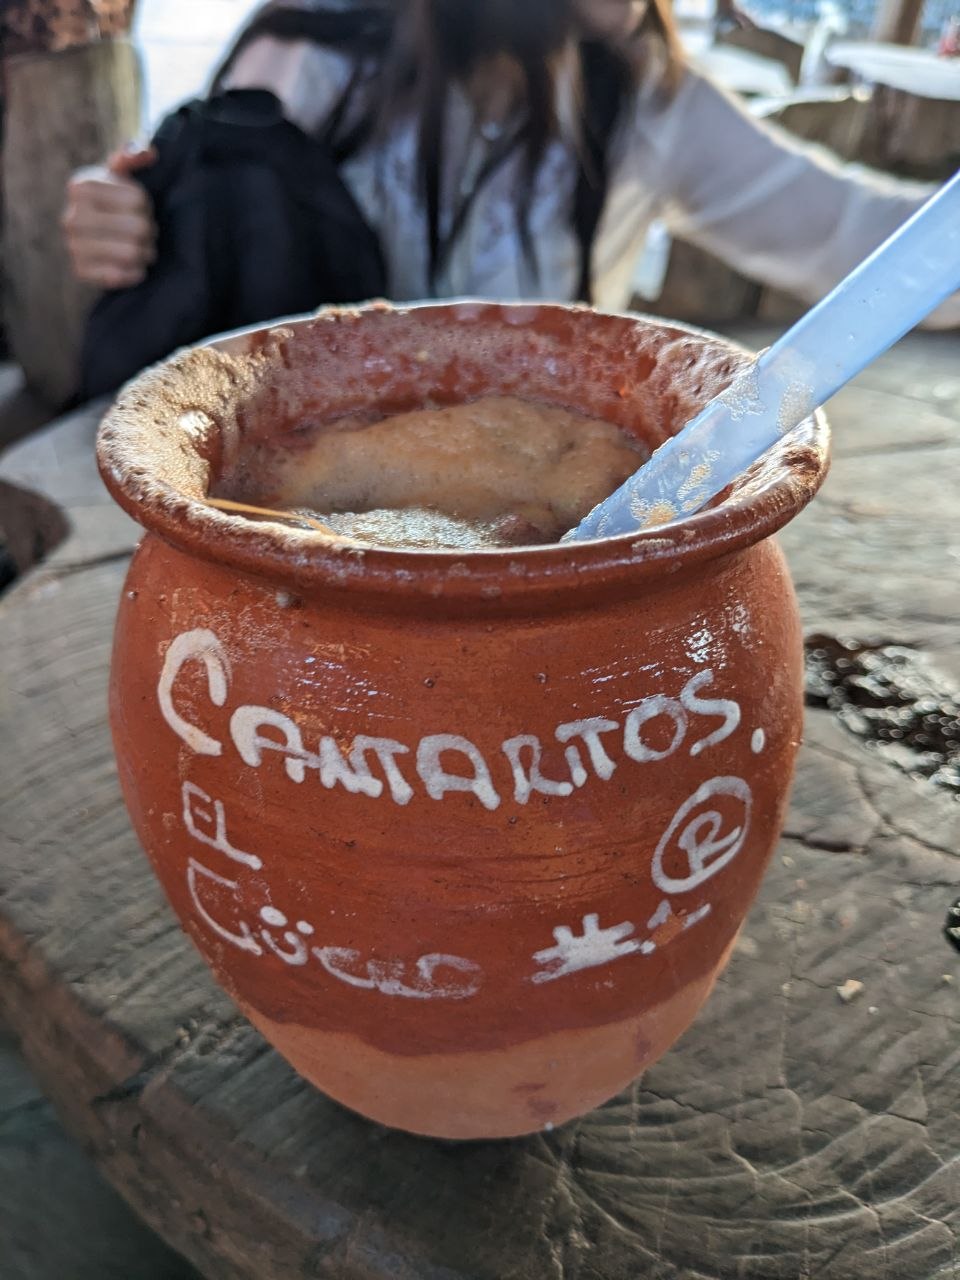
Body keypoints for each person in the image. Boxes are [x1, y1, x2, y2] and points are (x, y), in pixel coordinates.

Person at [63, 0, 960, 328]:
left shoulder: (649, 102)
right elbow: (169, 219)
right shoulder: (309, 52)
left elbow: (871, 247)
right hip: (293, 519)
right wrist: (114, 212)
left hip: (533, 527)